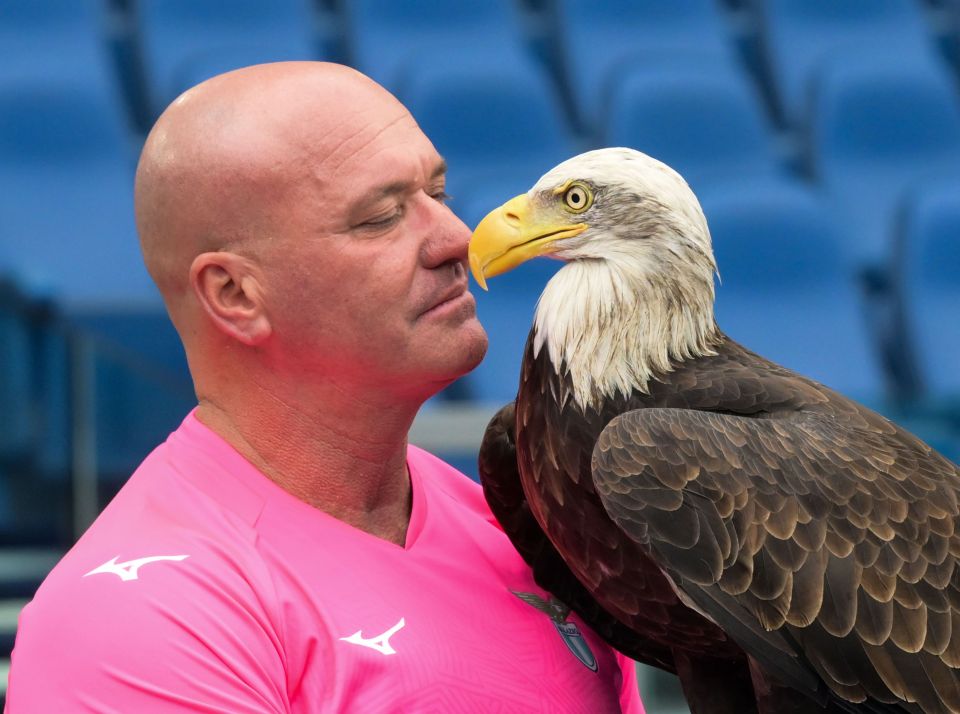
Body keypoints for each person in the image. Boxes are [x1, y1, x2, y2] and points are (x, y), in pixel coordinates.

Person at [5, 62, 643, 712]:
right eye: (381, 217)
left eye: (439, 194)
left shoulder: (530, 529)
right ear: (236, 295)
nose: (458, 238)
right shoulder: (141, 615)